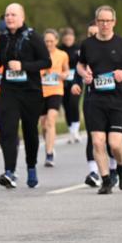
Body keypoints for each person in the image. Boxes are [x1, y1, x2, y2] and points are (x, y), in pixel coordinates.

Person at [76, 5, 122, 194]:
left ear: (114, 22)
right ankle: (106, 180)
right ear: (96, 22)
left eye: (108, 21)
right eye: (101, 21)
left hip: (118, 100)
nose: (104, 24)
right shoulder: (87, 44)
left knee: (115, 144)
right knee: (98, 142)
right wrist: (84, 74)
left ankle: (121, 167)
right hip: (95, 100)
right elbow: (80, 65)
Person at [0, 3, 51, 188]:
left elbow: (46, 62)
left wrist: (23, 66)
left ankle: (31, 167)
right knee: (8, 130)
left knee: (30, 131)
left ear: (22, 17)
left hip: (31, 92)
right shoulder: (3, 38)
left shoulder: (33, 37)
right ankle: (9, 171)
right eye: (7, 15)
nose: (9, 18)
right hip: (9, 91)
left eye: (13, 15)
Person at [72, 21, 117, 187]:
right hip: (91, 99)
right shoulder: (84, 51)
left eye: (94, 33)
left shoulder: (112, 49)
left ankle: (113, 169)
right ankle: (93, 172)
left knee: (110, 137)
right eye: (89, 34)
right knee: (94, 136)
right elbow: (78, 70)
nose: (91, 36)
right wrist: (76, 84)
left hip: (112, 99)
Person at [39, 29, 70, 167]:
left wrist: (64, 75)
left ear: (56, 41)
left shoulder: (62, 55)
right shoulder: (38, 54)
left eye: (51, 41)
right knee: (43, 124)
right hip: (41, 92)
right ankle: (48, 144)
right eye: (46, 41)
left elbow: (66, 70)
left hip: (56, 90)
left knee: (51, 120)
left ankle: (49, 154)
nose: (49, 44)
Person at [59, 27, 82, 144]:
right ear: (62, 39)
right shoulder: (59, 50)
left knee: (74, 103)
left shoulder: (78, 49)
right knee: (66, 106)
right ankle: (71, 131)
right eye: (66, 38)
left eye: (70, 38)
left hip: (76, 80)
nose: (68, 40)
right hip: (63, 81)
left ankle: (76, 131)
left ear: (73, 38)